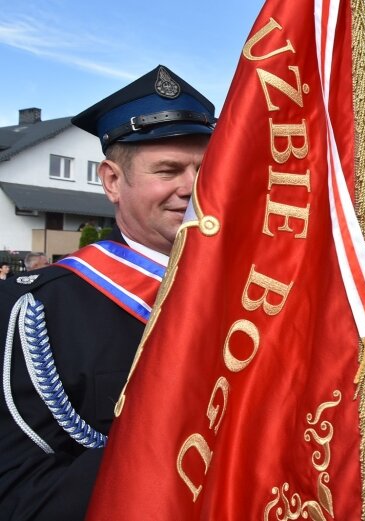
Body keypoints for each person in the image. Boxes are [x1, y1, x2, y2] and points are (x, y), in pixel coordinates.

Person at [0, 65, 215, 520]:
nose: (193, 189)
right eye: (169, 171)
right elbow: (20, 494)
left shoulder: (263, 294)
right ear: (113, 182)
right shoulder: (35, 311)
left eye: (206, 169)